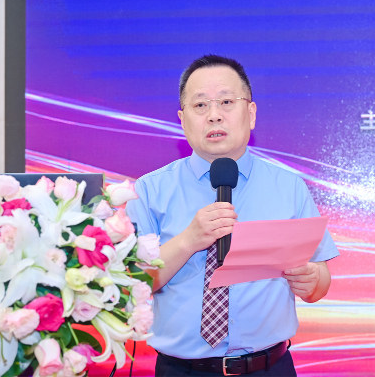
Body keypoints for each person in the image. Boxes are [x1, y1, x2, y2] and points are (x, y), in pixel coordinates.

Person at [126, 54, 339, 376]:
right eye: (200, 105)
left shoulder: (288, 187)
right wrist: (189, 240)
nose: (214, 115)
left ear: (250, 114)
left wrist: (312, 280)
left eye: (226, 102)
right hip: (182, 370)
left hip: (270, 367)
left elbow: (319, 284)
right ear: (182, 120)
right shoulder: (148, 190)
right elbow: (134, 284)